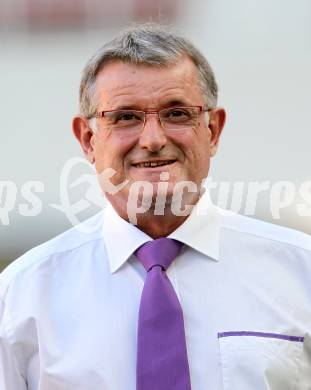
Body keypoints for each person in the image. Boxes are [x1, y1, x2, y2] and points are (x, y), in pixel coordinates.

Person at [1, 23, 311, 390]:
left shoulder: (301, 274)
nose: (152, 140)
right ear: (88, 140)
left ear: (212, 131)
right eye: (126, 117)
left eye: (177, 113)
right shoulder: (20, 298)